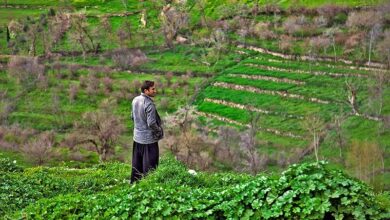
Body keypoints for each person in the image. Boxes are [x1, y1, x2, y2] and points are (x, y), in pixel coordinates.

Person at [130, 80, 163, 183]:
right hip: (149, 140)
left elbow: (132, 117)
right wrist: (159, 131)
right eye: (152, 89)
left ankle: (135, 185)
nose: (155, 91)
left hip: (137, 138)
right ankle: (149, 186)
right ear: (146, 90)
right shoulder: (149, 104)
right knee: (150, 166)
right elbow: (151, 123)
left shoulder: (135, 100)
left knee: (137, 164)